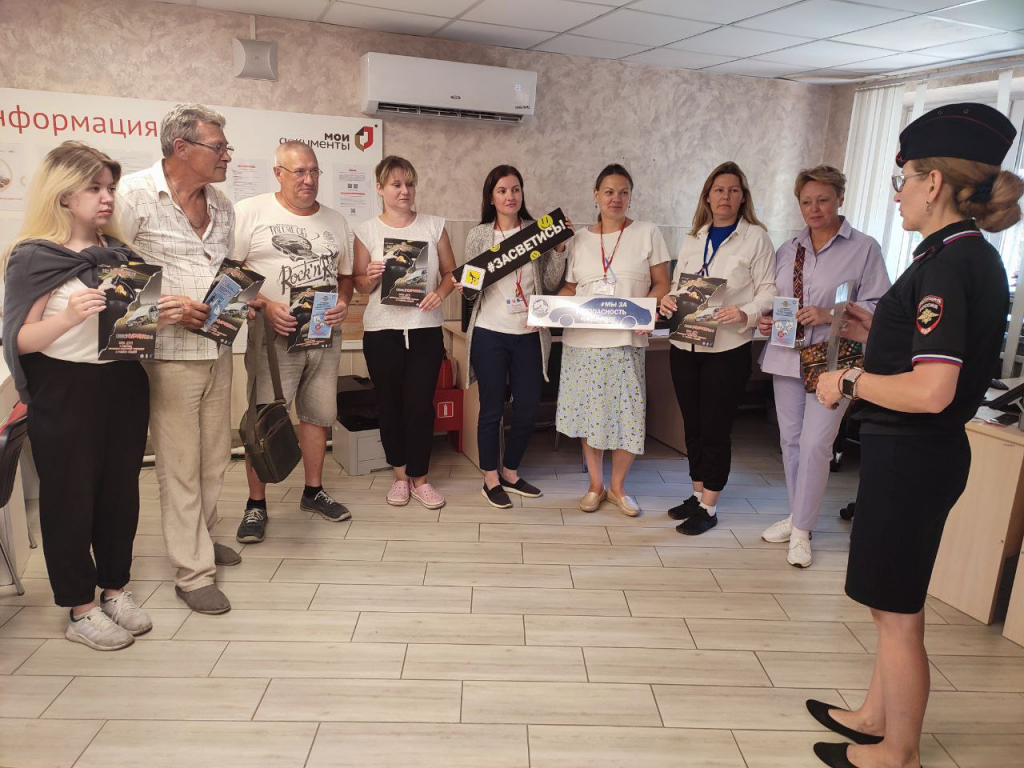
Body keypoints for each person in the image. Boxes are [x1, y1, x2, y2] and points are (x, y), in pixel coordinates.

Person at [810, 103, 1021, 768]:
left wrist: (848, 379)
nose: (896, 193)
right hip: (916, 455)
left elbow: (932, 391)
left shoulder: (946, 267)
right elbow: (941, 351)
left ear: (933, 183)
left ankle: (898, 751)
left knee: (897, 613)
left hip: (912, 454)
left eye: (902, 180)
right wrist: (881, 332)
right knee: (892, 601)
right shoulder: (964, 256)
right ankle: (875, 716)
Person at [2, 141, 183, 650]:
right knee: (69, 498)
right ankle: (80, 608)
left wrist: (159, 315)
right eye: (94, 188)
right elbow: (19, 339)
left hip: (123, 383)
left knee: (120, 493)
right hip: (64, 388)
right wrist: (67, 317)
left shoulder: (121, 254)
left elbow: (128, 329)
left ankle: (115, 590)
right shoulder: (35, 257)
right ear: (63, 194)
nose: (107, 197)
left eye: (110, 188)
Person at [112, 104, 239, 615]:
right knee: (181, 465)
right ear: (181, 148)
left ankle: (201, 537)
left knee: (215, 457)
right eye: (219, 146)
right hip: (166, 357)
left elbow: (225, 267)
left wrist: (239, 297)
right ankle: (193, 572)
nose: (227, 155)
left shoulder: (222, 204)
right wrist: (166, 307)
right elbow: (107, 278)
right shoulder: (133, 196)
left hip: (219, 348)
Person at [757, 166, 890, 567]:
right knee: (791, 441)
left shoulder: (864, 248)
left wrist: (830, 314)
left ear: (840, 199)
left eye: (823, 200)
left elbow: (879, 306)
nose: (814, 209)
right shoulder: (787, 249)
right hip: (787, 356)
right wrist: (768, 320)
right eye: (806, 202)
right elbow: (779, 300)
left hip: (834, 360)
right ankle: (799, 516)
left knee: (817, 444)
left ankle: (801, 531)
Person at [232, 141, 354, 544]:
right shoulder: (251, 212)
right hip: (273, 337)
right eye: (299, 171)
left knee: (318, 415)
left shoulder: (336, 220)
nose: (308, 179)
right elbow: (231, 273)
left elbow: (346, 277)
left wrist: (343, 303)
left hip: (323, 334)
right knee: (265, 417)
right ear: (278, 173)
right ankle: (256, 504)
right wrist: (266, 305)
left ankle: (313, 492)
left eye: (314, 171)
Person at [660, 161, 775, 535]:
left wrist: (746, 312)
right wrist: (668, 299)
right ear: (707, 197)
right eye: (719, 190)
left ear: (743, 197)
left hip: (727, 347)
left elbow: (769, 290)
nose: (726, 196)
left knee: (715, 427)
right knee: (692, 424)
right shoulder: (695, 236)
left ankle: (709, 507)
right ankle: (697, 495)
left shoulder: (756, 238)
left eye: (733, 190)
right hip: (686, 343)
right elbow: (680, 285)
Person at [556, 164, 671, 516]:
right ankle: (595, 485)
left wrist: (647, 312)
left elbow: (662, 283)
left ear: (631, 197)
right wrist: (545, 311)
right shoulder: (579, 239)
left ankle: (618, 487)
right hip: (582, 343)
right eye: (609, 192)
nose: (615, 198)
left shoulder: (648, 232)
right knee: (589, 415)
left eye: (623, 192)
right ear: (596, 195)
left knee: (629, 414)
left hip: (626, 341)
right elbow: (571, 288)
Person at [456, 165, 568, 509]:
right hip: (490, 333)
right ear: (491, 197)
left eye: (515, 189)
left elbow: (550, 283)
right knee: (491, 410)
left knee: (527, 410)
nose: (510, 196)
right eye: (502, 190)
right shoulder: (479, 235)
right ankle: (490, 478)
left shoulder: (538, 231)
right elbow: (471, 291)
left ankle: (511, 472)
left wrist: (559, 250)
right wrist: (466, 287)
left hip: (529, 334)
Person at [352, 156, 457, 509]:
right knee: (389, 404)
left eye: (409, 183)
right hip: (382, 331)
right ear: (379, 189)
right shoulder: (366, 230)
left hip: (425, 329)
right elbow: (360, 286)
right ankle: (400, 477)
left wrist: (439, 293)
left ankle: (421, 478)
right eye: (396, 184)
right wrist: (371, 276)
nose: (404, 191)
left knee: (420, 406)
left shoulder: (434, 225)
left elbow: (450, 273)